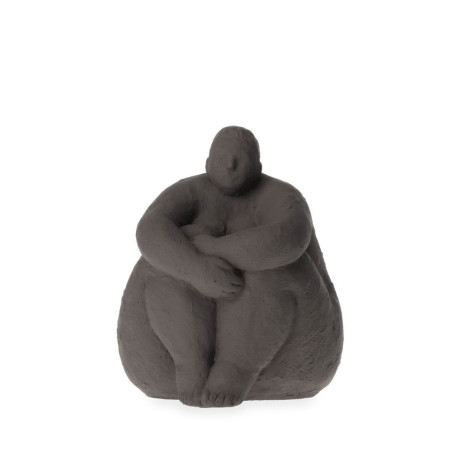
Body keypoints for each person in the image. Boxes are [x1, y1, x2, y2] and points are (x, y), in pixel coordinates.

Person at [118, 126, 343, 407]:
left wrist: (212, 248)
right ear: (207, 162)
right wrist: (196, 268)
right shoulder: (189, 192)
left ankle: (236, 368)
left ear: (257, 167)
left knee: (270, 262)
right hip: (163, 370)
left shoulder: (281, 196)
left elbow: (290, 238)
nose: (230, 165)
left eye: (240, 158)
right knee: (165, 258)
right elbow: (149, 231)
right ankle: (190, 364)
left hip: (293, 356)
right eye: (222, 158)